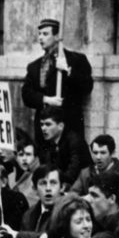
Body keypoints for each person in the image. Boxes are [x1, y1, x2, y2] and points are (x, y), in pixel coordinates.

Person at [21, 18, 93, 147]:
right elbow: (26, 94)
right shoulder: (34, 66)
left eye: (45, 34)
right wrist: (47, 100)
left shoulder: (76, 60)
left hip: (68, 125)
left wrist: (68, 70)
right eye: (40, 34)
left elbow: (87, 87)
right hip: (44, 129)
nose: (40, 38)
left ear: (57, 36)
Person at [37, 106, 88, 191]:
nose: (43, 128)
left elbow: (73, 171)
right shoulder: (48, 142)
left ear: (60, 126)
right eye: (42, 124)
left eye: (48, 124)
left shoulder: (74, 141)